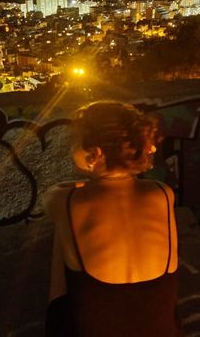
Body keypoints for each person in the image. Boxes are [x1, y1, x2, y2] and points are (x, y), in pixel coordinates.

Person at [43, 101, 183, 337]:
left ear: (95, 153)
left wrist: (82, 187)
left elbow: (52, 194)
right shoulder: (162, 193)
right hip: (162, 330)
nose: (70, 148)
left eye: (73, 142)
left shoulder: (66, 200)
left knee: (64, 227)